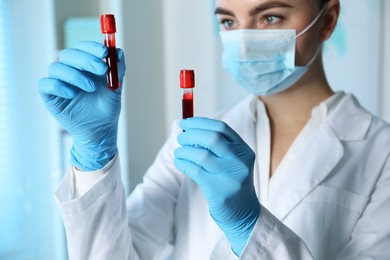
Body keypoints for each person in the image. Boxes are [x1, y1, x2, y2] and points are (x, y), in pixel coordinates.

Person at [38, 0, 390, 259]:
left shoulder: (381, 152)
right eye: (228, 22)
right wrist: (93, 155)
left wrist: (248, 226)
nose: (245, 39)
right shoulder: (190, 137)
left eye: (270, 17)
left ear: (327, 20)